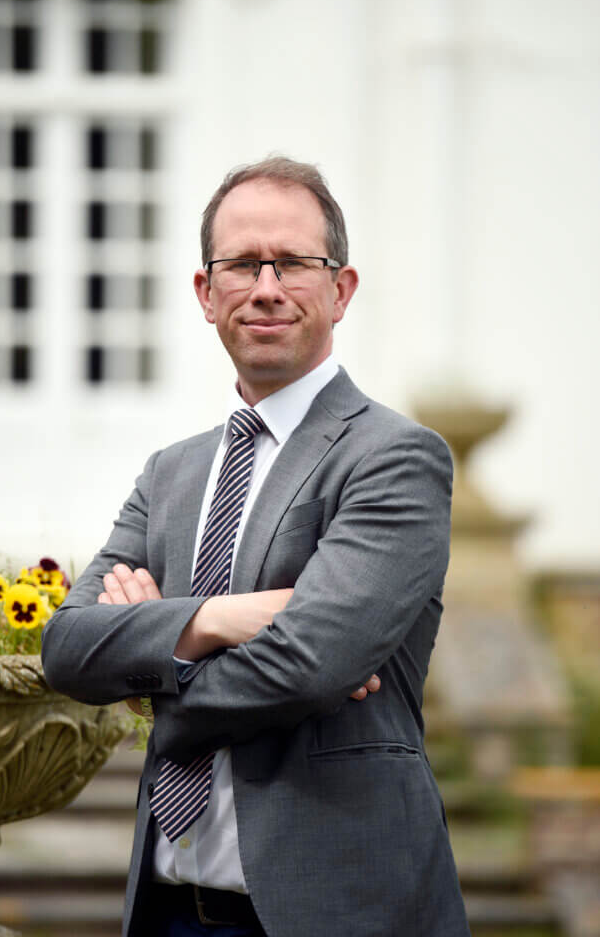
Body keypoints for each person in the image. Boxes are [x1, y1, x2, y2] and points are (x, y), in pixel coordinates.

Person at [41, 156, 470, 937]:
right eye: (241, 264)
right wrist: (217, 619)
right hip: (170, 910)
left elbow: (311, 665)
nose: (266, 286)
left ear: (340, 290)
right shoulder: (172, 473)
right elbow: (69, 647)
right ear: (208, 295)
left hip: (337, 909)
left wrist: (153, 682)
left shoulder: (393, 458)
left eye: (293, 263)